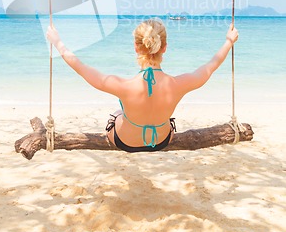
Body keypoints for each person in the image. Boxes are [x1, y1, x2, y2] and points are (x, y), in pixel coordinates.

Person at [46, 19, 238, 153]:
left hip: (124, 142)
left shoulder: (123, 86)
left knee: (117, 114)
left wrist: (57, 42)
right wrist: (229, 42)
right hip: (162, 141)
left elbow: (80, 67)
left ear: (136, 47)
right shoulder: (178, 84)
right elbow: (209, 67)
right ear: (164, 47)